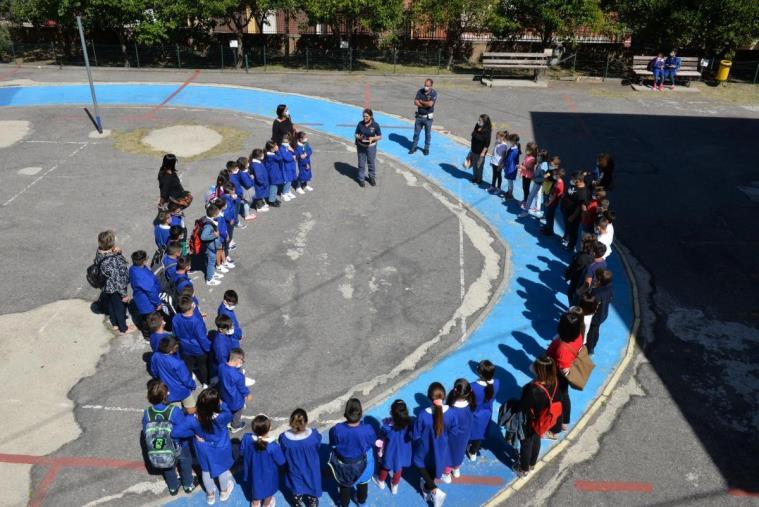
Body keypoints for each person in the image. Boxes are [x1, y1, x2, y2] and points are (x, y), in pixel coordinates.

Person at [171, 388, 235, 505]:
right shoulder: (221, 417)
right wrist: (223, 404)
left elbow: (175, 432)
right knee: (222, 470)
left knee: (206, 470)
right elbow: (229, 414)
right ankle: (224, 492)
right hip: (220, 445)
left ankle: (210, 495)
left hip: (202, 446)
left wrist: (193, 433)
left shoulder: (192, 419)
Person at [142, 379, 196, 496]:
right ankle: (188, 484)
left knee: (167, 466)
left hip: (160, 445)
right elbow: (184, 430)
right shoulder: (174, 411)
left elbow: (146, 430)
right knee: (185, 462)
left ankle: (173, 487)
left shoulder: (147, 412)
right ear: (166, 395)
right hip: (179, 446)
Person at [328, 398, 376, 507]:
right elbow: (372, 442)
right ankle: (361, 502)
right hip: (363, 466)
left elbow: (332, 444)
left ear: (346, 413)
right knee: (363, 484)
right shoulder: (368, 429)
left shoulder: (337, 429)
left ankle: (345, 504)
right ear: (360, 413)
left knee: (345, 487)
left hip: (343, 467)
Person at [412, 382, 454, 507]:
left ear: (429, 398)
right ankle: (427, 487)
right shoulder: (451, 413)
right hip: (442, 448)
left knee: (418, 462)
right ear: (444, 397)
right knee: (434, 467)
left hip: (425, 448)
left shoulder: (423, 415)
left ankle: (434, 490)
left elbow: (416, 434)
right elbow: (453, 430)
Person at [517, 356, 558, 477]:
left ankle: (524, 469)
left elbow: (523, 405)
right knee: (537, 438)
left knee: (526, 443)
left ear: (539, 371)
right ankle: (532, 464)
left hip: (531, 420)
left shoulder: (533, 389)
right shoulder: (554, 381)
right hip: (544, 419)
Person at [545, 313, 584, 439]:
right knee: (564, 396)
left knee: (557, 400)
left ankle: (555, 429)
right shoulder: (578, 336)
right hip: (564, 373)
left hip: (557, 375)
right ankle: (564, 421)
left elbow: (564, 369)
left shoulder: (563, 349)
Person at [93, 230, 135, 334]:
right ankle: (123, 328)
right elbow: (118, 280)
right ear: (112, 243)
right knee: (120, 307)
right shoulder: (113, 260)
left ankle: (115, 323)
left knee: (111, 304)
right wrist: (124, 295)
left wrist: (116, 252)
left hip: (106, 286)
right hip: (115, 288)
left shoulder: (99, 252)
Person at [279, 408, 323, 507]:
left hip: (294, 468)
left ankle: (297, 501)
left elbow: (282, 450)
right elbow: (318, 445)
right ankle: (313, 502)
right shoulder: (313, 436)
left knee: (295, 485)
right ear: (306, 422)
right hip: (311, 468)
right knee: (313, 484)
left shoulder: (284, 438)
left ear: (291, 422)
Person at [241, 414, 285, 507]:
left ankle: (255, 503)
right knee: (269, 491)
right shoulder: (273, 446)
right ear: (269, 428)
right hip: (268, 475)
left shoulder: (246, 438)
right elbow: (281, 461)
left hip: (252, 471)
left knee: (255, 487)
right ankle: (265, 505)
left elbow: (242, 451)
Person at [373, 399, 412, 495]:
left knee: (385, 468)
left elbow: (380, 437)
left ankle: (381, 481)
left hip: (389, 454)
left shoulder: (387, 428)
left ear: (391, 413)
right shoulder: (409, 426)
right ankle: (394, 486)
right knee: (398, 470)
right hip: (403, 454)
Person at [171, 294, 211, 386]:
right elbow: (202, 338)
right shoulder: (196, 321)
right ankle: (205, 383)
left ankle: (188, 380)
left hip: (184, 347)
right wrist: (209, 348)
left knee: (188, 365)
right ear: (191, 306)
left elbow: (175, 333)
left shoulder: (175, 318)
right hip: (198, 349)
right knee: (203, 366)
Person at [150, 336, 197, 414]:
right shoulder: (178, 363)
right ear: (171, 350)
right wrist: (193, 385)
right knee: (191, 409)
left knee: (176, 413)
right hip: (183, 391)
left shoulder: (155, 356)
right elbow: (186, 379)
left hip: (168, 392)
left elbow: (154, 371)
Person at [467, 359, 499, 461]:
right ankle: (473, 452)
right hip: (487, 414)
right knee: (480, 434)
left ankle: (470, 450)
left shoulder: (472, 387)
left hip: (474, 415)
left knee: (469, 433)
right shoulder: (497, 383)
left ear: (479, 372)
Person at [442, 379, 474, 483]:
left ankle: (447, 474)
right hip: (464, 437)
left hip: (451, 438)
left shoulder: (450, 411)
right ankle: (456, 470)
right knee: (459, 453)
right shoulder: (470, 406)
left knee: (448, 455)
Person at [218, 348, 251, 432]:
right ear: (238, 360)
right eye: (242, 360)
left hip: (224, 395)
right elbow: (242, 388)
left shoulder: (221, 367)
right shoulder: (238, 376)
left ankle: (226, 420)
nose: (242, 362)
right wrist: (248, 394)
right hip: (236, 399)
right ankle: (235, 426)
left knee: (227, 408)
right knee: (238, 411)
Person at [129, 250, 162, 333]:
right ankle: (148, 334)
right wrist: (157, 303)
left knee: (145, 318)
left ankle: (146, 331)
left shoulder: (133, 268)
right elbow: (151, 292)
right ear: (144, 261)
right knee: (149, 320)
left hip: (139, 299)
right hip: (147, 304)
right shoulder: (143, 277)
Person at [587, 269, 614, 355]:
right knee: (596, 330)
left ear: (599, 280)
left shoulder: (596, 293)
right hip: (603, 314)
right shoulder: (609, 288)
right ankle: (593, 345)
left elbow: (590, 303)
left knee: (592, 332)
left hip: (595, 317)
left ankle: (590, 349)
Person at [409, 78, 438, 155]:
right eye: (425, 85)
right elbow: (415, 102)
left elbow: (430, 104)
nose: (426, 87)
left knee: (427, 134)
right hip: (419, 117)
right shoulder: (420, 91)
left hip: (428, 118)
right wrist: (425, 104)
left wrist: (421, 102)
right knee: (416, 133)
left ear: (431, 86)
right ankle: (414, 147)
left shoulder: (433, 93)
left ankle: (426, 148)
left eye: (427, 86)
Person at [561, 172, 589, 251]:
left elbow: (579, 207)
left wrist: (572, 217)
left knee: (573, 231)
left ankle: (571, 246)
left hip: (572, 215)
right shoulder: (575, 184)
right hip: (566, 211)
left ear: (579, 181)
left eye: (573, 179)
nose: (571, 180)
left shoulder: (582, 193)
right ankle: (566, 238)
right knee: (567, 226)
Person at [354, 109, 382, 188]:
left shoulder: (375, 125)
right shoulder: (360, 124)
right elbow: (355, 134)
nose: (365, 118)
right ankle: (361, 179)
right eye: (363, 116)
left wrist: (373, 138)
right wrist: (359, 136)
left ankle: (371, 177)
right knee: (361, 163)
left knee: (371, 162)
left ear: (371, 116)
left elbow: (380, 136)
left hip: (371, 146)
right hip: (361, 146)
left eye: (366, 116)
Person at [565, 234, 595, 306]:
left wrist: (567, 276)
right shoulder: (593, 255)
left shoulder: (580, 257)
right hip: (587, 281)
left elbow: (572, 268)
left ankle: (572, 309)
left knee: (571, 294)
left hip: (577, 280)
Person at [521, 148, 548, 217]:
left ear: (543, 157)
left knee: (531, 196)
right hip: (537, 182)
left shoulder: (544, 165)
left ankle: (526, 211)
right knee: (537, 195)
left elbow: (543, 177)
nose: (537, 157)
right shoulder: (541, 163)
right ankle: (537, 208)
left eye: (539, 156)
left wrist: (534, 178)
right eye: (538, 155)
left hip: (538, 183)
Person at [199, 204, 222, 286]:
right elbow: (203, 237)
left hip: (210, 247)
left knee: (211, 262)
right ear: (214, 215)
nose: (219, 214)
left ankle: (211, 273)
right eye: (218, 213)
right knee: (211, 262)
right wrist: (214, 235)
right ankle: (209, 279)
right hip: (209, 247)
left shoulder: (207, 220)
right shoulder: (208, 226)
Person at [468, 114, 492, 186]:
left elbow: (487, 143)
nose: (478, 121)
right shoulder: (477, 126)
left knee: (479, 166)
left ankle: (479, 180)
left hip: (480, 152)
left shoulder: (487, 130)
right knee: (474, 165)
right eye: (479, 120)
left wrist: (483, 152)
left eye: (480, 120)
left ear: (485, 122)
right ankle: (474, 177)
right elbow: (473, 134)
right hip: (474, 149)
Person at [541, 167, 565, 237]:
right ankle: (547, 228)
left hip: (553, 203)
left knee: (549, 216)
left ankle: (549, 231)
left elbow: (554, 196)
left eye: (555, 174)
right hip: (552, 201)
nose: (554, 175)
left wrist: (548, 203)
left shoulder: (559, 184)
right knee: (549, 216)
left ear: (558, 175)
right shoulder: (558, 182)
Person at [264, 140, 284, 207]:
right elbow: (280, 158)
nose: (276, 147)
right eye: (275, 146)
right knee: (273, 187)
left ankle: (273, 198)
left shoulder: (267, 154)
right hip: (273, 174)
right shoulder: (272, 156)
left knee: (274, 187)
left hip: (272, 173)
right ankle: (271, 201)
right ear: (272, 149)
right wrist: (278, 151)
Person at [279, 133, 298, 201]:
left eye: (287, 141)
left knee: (291, 179)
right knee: (287, 180)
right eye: (285, 141)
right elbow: (285, 158)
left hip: (291, 166)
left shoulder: (288, 147)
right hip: (286, 167)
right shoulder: (282, 148)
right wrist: (292, 157)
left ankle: (288, 191)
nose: (286, 143)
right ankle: (284, 193)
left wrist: (292, 151)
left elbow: (294, 154)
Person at [488, 131, 508, 195]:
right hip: (494, 161)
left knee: (499, 176)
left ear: (502, 137)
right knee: (494, 174)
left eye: (498, 136)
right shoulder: (496, 142)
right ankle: (492, 186)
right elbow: (494, 152)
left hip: (499, 163)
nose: (496, 137)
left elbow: (504, 156)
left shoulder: (504, 146)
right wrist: (492, 160)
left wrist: (501, 165)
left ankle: (498, 188)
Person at [502, 133, 521, 199]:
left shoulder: (515, 151)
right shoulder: (513, 148)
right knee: (509, 181)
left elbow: (512, 160)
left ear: (513, 141)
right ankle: (509, 192)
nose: (509, 142)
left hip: (511, 169)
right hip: (509, 167)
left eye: (510, 140)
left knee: (510, 182)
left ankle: (510, 195)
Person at [519, 142, 537, 207]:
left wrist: (522, 167)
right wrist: (521, 164)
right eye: (527, 148)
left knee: (526, 188)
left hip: (528, 176)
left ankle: (526, 201)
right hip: (524, 174)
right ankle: (524, 200)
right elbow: (524, 162)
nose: (526, 149)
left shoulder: (532, 159)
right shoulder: (527, 155)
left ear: (532, 151)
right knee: (524, 187)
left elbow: (530, 169)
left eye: (528, 148)